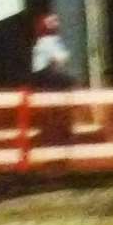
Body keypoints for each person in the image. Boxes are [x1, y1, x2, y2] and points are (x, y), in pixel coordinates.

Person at [30, 13, 75, 151]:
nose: (56, 24)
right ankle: (61, 133)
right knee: (67, 90)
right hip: (47, 76)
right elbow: (61, 58)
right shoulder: (49, 40)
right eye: (52, 22)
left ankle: (53, 132)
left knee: (50, 107)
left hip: (42, 77)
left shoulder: (41, 41)